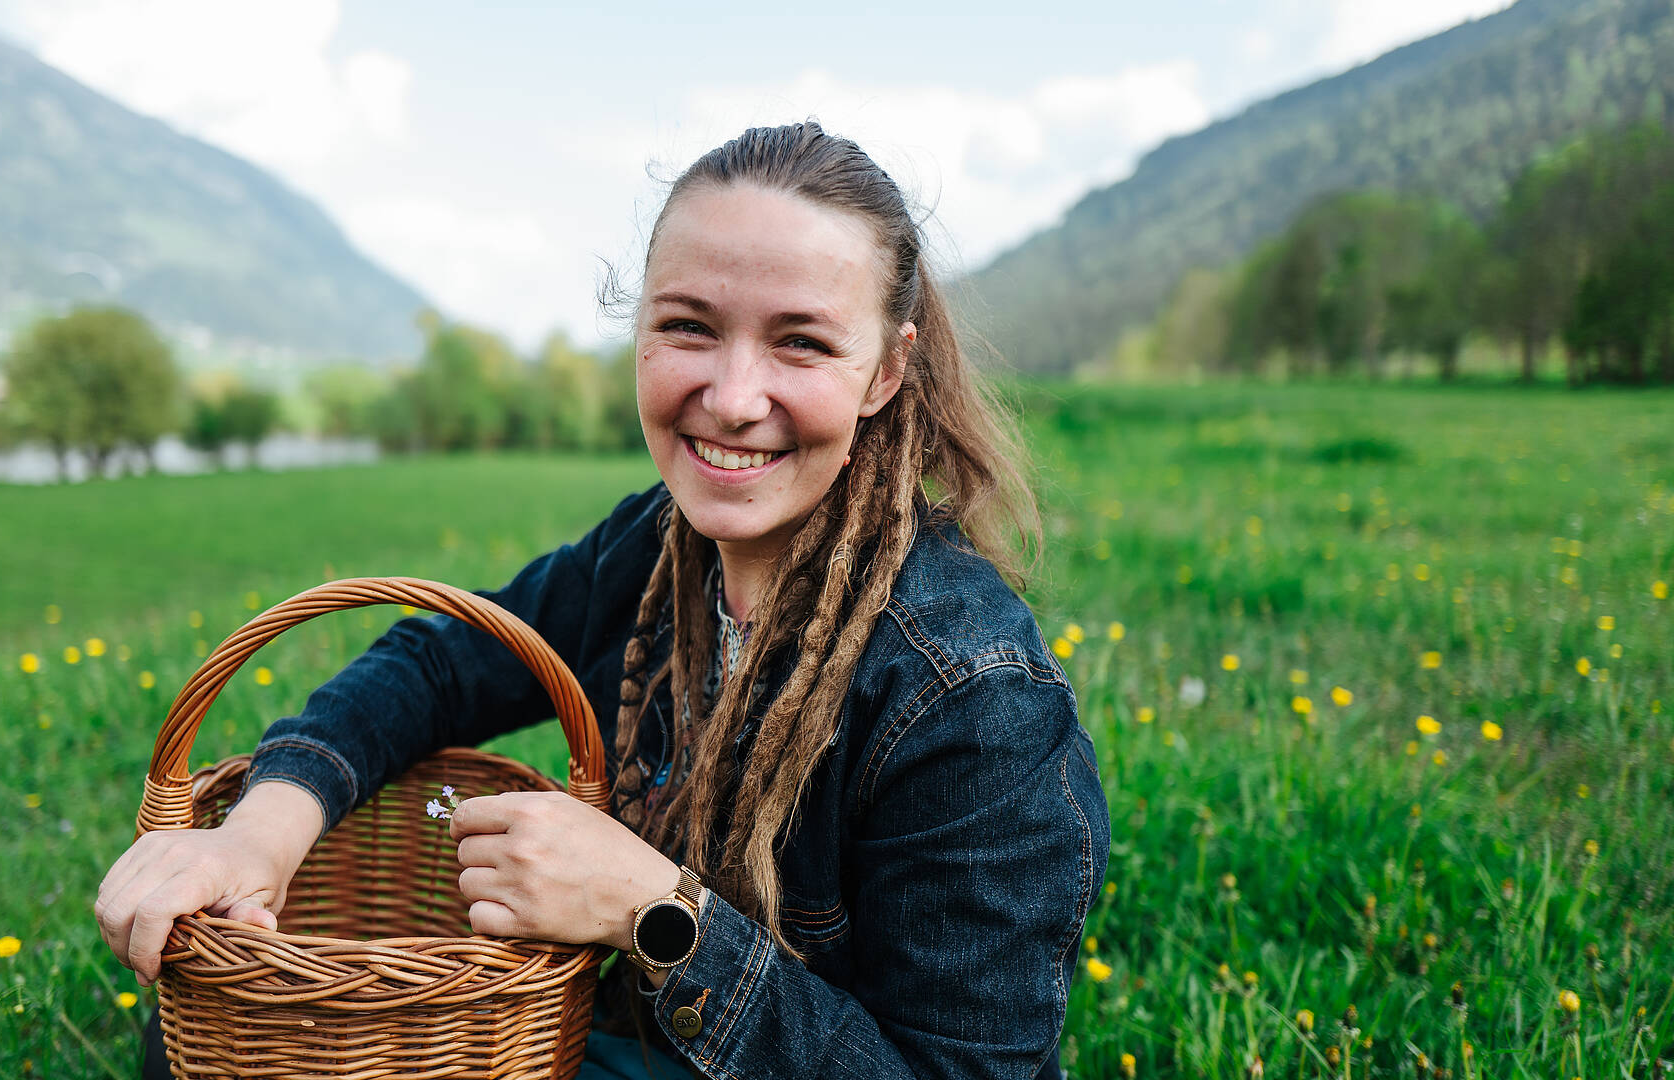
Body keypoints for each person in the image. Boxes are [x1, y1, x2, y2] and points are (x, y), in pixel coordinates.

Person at [97, 121, 1110, 1080]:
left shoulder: (971, 698)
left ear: (887, 370)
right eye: (688, 327)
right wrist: (260, 834)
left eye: (800, 342)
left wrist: (652, 909)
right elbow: (442, 663)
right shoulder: (660, 549)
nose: (731, 395)